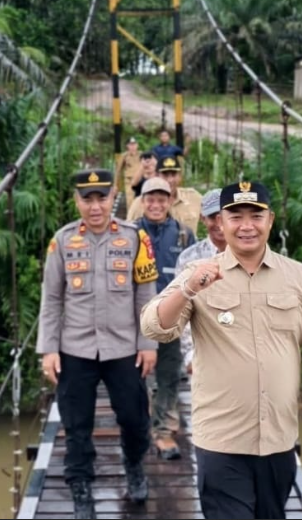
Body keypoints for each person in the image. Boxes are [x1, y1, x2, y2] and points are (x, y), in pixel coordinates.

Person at [140, 181, 302, 520]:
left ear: (271, 220)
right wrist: (189, 289)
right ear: (220, 223)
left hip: (279, 440)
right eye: (235, 216)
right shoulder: (199, 274)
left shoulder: (299, 277)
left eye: (256, 215)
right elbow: (154, 326)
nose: (246, 225)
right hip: (221, 441)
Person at [36, 168, 160, 519]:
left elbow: (146, 295)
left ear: (113, 197)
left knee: (135, 420)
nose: (94, 207)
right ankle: (80, 486)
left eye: (101, 198)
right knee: (76, 426)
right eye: (86, 199)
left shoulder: (135, 238)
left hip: (124, 349)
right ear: (76, 200)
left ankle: (134, 464)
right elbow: (52, 299)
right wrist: (49, 349)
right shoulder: (61, 242)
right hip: (75, 350)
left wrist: (147, 342)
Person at [135, 176, 196, 460]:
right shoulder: (130, 233)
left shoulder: (184, 235)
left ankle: (164, 432)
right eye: (151, 199)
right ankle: (140, 426)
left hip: (172, 319)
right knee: (139, 376)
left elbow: (195, 278)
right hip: (136, 321)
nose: (156, 205)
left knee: (169, 377)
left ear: (170, 201)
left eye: (162, 199)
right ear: (143, 202)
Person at [175, 188, 225, 375]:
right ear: (203, 219)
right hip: (203, 349)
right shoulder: (188, 258)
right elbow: (182, 307)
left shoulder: (250, 256)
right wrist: (190, 355)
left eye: (225, 216)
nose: (219, 224)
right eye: (213, 217)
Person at [126, 156, 202, 234]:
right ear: (156, 175)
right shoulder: (141, 202)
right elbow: (128, 232)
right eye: (165, 175)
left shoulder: (193, 197)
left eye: (173, 174)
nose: (170, 180)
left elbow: (211, 217)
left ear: (179, 176)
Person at [115, 136, 143, 211]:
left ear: (137, 145)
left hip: (141, 180)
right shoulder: (124, 156)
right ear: (127, 146)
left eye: (134, 144)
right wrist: (116, 185)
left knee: (142, 200)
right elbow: (118, 171)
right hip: (129, 181)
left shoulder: (142, 155)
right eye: (131, 144)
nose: (133, 146)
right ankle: (130, 220)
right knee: (130, 202)